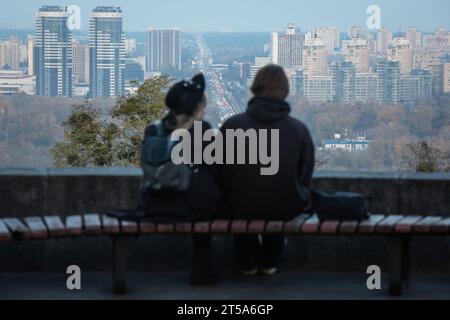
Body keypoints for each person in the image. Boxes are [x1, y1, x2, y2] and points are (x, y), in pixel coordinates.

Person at [218, 65, 315, 276]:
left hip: (239, 206)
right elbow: (304, 176)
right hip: (286, 206)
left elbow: (221, 173)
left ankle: (247, 263)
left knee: (242, 201)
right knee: (278, 199)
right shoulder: (298, 130)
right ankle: (270, 261)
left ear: (255, 88)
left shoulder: (233, 126)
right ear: (285, 91)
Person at [134, 74, 227, 285]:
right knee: (206, 192)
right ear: (195, 109)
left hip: (154, 204)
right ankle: (202, 264)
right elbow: (218, 171)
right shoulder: (203, 131)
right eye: (202, 107)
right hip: (190, 208)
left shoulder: (154, 129)